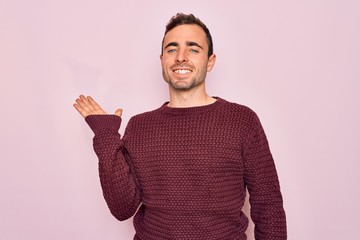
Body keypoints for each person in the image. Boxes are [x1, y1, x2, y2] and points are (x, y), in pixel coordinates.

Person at [73, 13, 287, 240]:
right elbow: (122, 208)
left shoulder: (242, 120)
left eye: (193, 49)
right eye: (172, 49)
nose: (181, 57)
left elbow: (269, 206)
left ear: (210, 61)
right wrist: (106, 135)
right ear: (162, 60)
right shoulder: (139, 126)